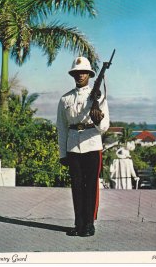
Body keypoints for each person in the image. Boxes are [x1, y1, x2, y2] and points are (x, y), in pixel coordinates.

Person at [56, 56, 109, 237]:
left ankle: (89, 224)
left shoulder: (97, 97)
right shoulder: (65, 99)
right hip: (73, 147)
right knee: (77, 186)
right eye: (77, 73)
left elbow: (105, 126)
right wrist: (63, 153)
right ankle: (78, 224)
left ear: (90, 75)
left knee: (91, 186)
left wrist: (97, 121)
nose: (80, 76)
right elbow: (62, 128)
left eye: (84, 72)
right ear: (73, 75)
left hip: (92, 145)